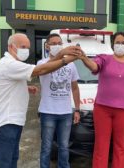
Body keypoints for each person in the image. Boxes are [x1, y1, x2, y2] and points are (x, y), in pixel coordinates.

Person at [0, 33, 81, 168]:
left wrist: (25, 88)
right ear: (10, 47)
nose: (26, 50)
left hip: (12, 122)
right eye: (22, 46)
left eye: (28, 47)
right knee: (5, 162)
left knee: (12, 159)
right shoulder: (9, 64)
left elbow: (9, 85)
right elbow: (41, 70)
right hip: (5, 122)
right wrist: (64, 58)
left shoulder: (13, 64)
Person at [79, 32, 124, 168]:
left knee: (120, 146)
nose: (120, 45)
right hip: (102, 108)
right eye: (117, 42)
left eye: (123, 43)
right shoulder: (104, 58)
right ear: (113, 44)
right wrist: (84, 58)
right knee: (101, 145)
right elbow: (94, 67)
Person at [37, 33, 81, 168]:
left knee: (64, 147)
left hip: (66, 113)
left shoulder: (71, 65)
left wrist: (77, 110)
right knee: (46, 146)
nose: (57, 45)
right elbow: (43, 71)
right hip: (47, 111)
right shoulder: (42, 63)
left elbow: (74, 88)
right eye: (53, 43)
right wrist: (62, 54)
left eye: (59, 43)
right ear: (47, 46)